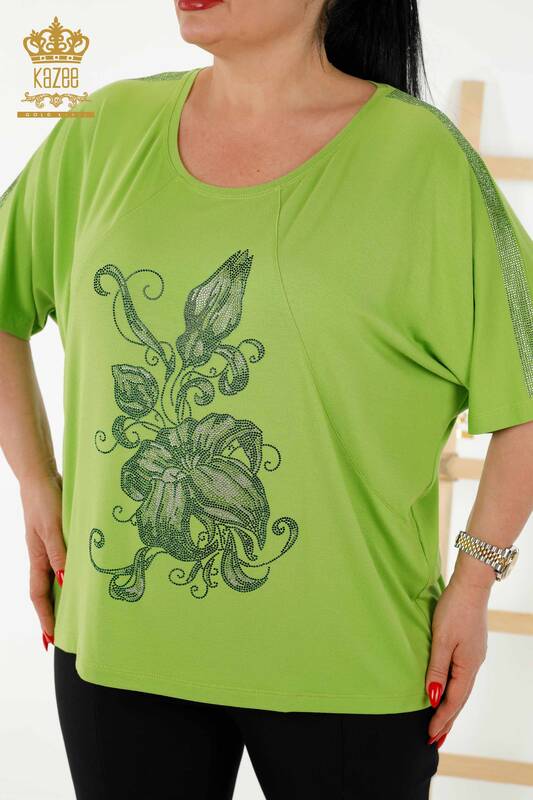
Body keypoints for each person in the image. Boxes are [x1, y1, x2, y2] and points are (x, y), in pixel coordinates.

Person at [1, 0, 532, 797]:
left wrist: (475, 580)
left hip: (351, 658)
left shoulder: (420, 160)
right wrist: (36, 483)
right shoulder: (103, 130)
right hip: (122, 647)